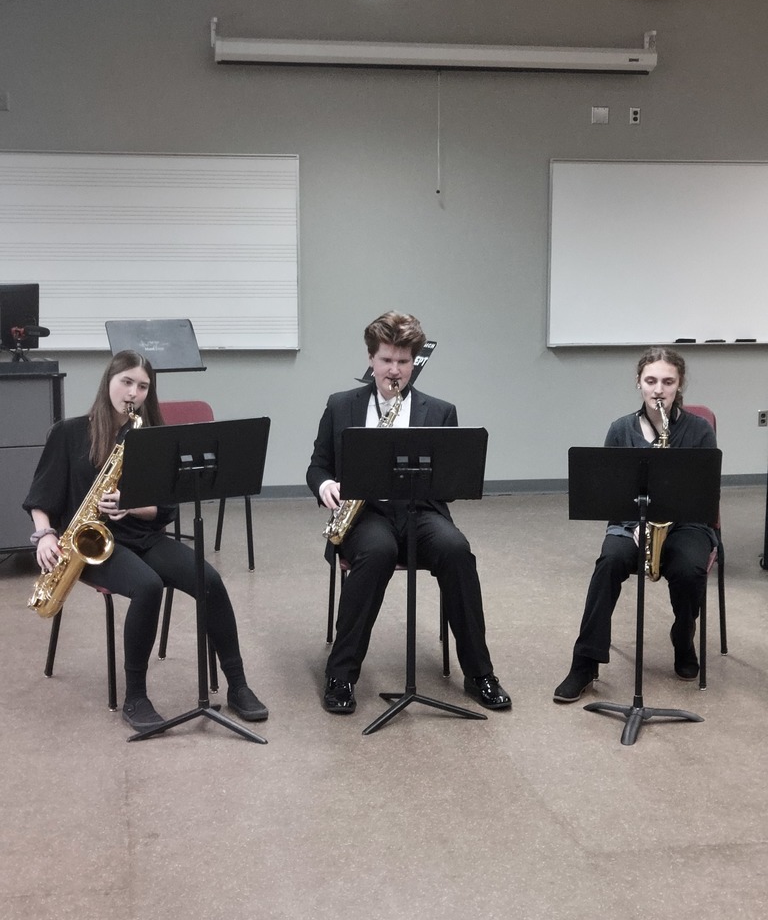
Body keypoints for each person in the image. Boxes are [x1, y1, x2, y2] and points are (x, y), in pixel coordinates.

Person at [23, 350, 267, 732]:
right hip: (91, 545)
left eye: (142, 386)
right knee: (148, 587)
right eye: (126, 382)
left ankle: (238, 685)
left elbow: (164, 509)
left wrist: (131, 505)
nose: (133, 392)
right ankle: (135, 695)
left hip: (144, 537)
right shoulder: (69, 432)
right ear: (108, 382)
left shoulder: (150, 437)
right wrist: (45, 535)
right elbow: (42, 495)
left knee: (210, 580)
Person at [306, 310, 511, 715]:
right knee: (377, 553)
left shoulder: (440, 412)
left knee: (457, 550)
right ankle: (341, 674)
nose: (394, 370)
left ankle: (480, 673)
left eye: (403, 362)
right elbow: (318, 465)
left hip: (422, 512)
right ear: (371, 359)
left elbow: (451, 483)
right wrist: (325, 485)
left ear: (414, 362)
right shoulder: (341, 405)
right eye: (386, 360)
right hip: (366, 516)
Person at [553, 346, 718, 703]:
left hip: (686, 524)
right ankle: (585, 662)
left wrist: (666, 523)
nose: (659, 390)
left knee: (690, 568)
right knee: (609, 563)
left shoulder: (699, 431)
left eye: (668, 382)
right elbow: (608, 494)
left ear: (679, 385)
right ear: (639, 383)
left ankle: (683, 636)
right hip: (631, 524)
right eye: (651, 381)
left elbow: (702, 497)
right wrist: (634, 525)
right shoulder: (620, 429)